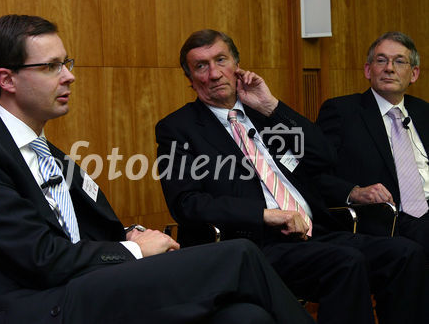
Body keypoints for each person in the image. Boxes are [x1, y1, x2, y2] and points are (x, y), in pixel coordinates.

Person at [0, 15, 315, 324]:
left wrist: (129, 233)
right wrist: (133, 249)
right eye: (51, 66)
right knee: (240, 255)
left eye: (67, 63)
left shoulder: (50, 154)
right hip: (30, 305)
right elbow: (40, 257)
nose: (69, 76)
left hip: (82, 287)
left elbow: (84, 229)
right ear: (7, 79)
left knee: (244, 315)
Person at [155, 29, 428, 324]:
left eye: (221, 60)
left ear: (237, 65)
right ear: (191, 80)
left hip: (316, 233)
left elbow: (324, 156)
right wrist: (265, 215)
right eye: (201, 66)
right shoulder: (177, 129)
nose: (214, 73)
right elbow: (186, 203)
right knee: (346, 263)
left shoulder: (263, 115)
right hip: (255, 244)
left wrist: (271, 106)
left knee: (405, 254)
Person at [316, 31, 429, 257]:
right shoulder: (342, 112)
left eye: (399, 61)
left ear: (414, 74)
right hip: (387, 218)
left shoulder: (424, 112)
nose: (389, 68)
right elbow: (314, 173)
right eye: (381, 60)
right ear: (368, 70)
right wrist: (355, 192)